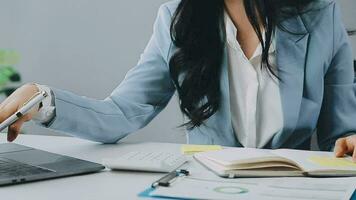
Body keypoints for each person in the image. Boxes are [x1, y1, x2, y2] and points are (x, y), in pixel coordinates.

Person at [1, 0, 356, 160]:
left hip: (289, 191)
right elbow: (123, 113)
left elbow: (341, 135)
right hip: (205, 188)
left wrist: (351, 144)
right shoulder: (177, 19)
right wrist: (41, 98)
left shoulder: (320, 16)